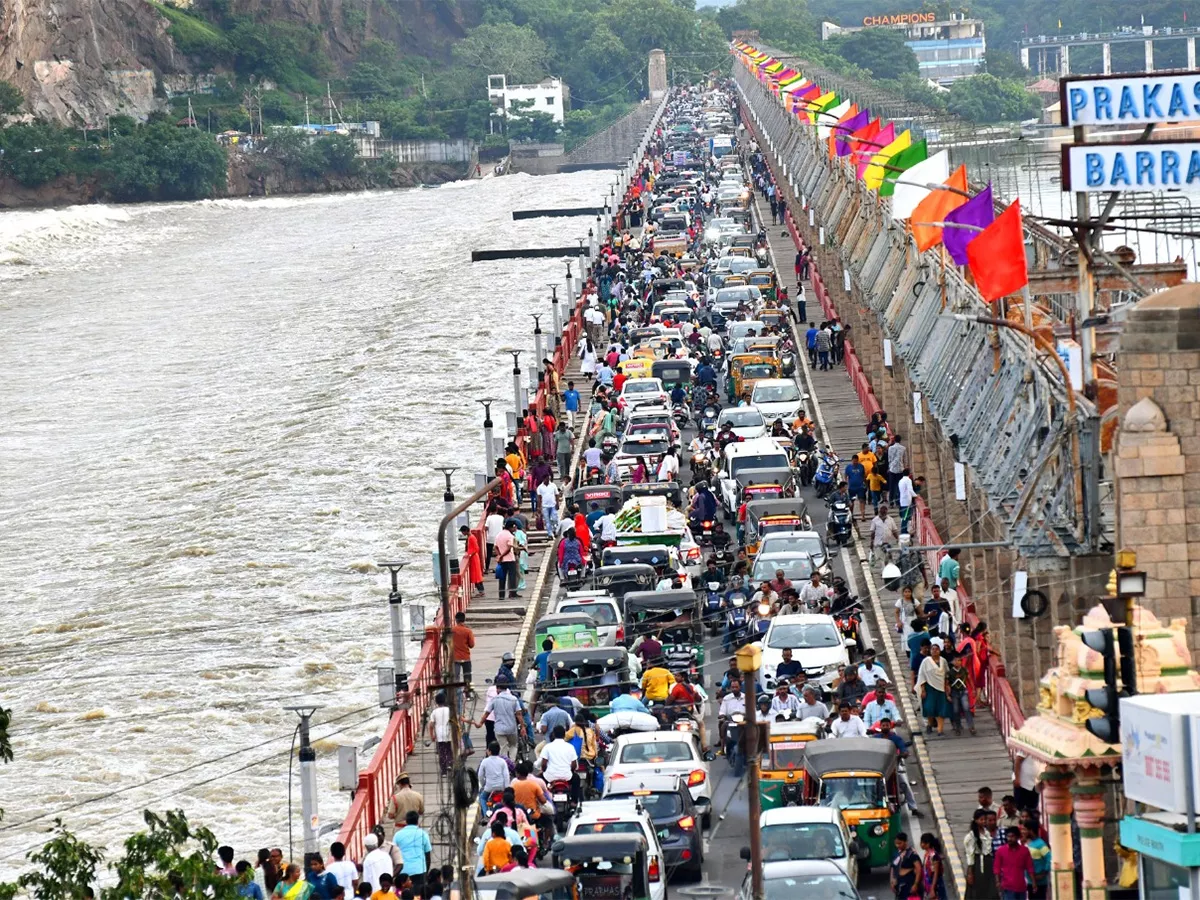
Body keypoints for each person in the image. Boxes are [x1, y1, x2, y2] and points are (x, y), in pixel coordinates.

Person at [916, 638, 951, 736]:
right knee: (930, 708)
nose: (935, 651)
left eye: (937, 649)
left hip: (941, 688)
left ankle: (940, 730)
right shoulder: (926, 661)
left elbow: (947, 674)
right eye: (933, 649)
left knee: (941, 709)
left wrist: (947, 685)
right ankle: (930, 724)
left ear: (940, 651)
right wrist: (922, 689)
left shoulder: (943, 661)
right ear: (930, 651)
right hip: (929, 688)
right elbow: (922, 675)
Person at [393, 811, 432, 895]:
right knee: (418, 895)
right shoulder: (423, 834)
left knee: (404, 895)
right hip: (419, 870)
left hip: (403, 871)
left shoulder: (398, 835)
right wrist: (426, 871)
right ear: (417, 821)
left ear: (406, 821)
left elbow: (394, 854)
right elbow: (428, 856)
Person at [963, 808, 999, 900]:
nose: (984, 821)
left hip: (988, 863)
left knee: (990, 889)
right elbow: (970, 856)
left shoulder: (986, 832)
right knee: (978, 890)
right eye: (981, 819)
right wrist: (970, 873)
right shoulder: (971, 836)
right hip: (978, 865)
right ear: (976, 820)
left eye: (985, 819)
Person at [993, 827, 1034, 900]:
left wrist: (1034, 883)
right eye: (1008, 836)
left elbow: (1030, 867)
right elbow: (997, 868)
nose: (1010, 839)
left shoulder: (1024, 851)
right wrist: (998, 882)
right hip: (1007, 887)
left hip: (1021, 887)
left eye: (1012, 836)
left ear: (1018, 837)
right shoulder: (1001, 851)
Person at [1020, 823, 1051, 900]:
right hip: (1030, 881)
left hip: (1039, 882)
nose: (1022, 832)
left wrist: (1044, 872)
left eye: (1025, 829)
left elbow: (1049, 858)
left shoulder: (1040, 844)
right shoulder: (1028, 843)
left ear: (1031, 831)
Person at [947, 654, 976, 736]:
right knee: (956, 710)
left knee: (966, 708)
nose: (957, 662)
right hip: (954, 692)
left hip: (963, 691)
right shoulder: (950, 672)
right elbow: (946, 684)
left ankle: (971, 726)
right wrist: (947, 694)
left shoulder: (964, 670)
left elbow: (969, 679)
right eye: (955, 661)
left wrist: (973, 689)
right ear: (952, 662)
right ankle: (958, 727)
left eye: (959, 660)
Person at [891, 833, 923, 900]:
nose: (897, 845)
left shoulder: (912, 854)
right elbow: (893, 867)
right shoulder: (897, 853)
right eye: (896, 843)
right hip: (900, 885)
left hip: (910, 884)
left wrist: (916, 884)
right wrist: (892, 880)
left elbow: (919, 869)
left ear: (905, 842)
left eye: (900, 843)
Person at [495, 520, 520, 599]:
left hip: (502, 561)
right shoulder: (510, 536)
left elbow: (495, 547)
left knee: (502, 578)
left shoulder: (498, 535)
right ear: (511, 527)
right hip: (509, 559)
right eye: (514, 527)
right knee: (512, 577)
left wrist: (499, 555)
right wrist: (502, 555)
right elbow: (509, 548)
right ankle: (512, 594)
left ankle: (501, 595)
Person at [452, 611, 475, 695]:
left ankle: (456, 694)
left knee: (456, 677)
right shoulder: (468, 631)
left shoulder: (452, 630)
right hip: (466, 657)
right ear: (464, 620)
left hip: (455, 658)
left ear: (456, 620)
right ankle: (468, 693)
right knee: (467, 676)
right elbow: (472, 645)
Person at [459, 525, 485, 597]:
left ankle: (481, 591)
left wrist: (470, 554)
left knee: (476, 575)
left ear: (466, 531)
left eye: (463, 531)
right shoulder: (470, 537)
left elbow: (476, 548)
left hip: (474, 558)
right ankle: (481, 591)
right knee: (476, 575)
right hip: (473, 557)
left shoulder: (471, 538)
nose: (462, 533)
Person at [920, 834, 947, 900]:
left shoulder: (933, 856)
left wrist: (932, 888)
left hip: (935, 883)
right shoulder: (927, 854)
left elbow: (936, 873)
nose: (921, 844)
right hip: (929, 882)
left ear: (928, 844)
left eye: (922, 842)